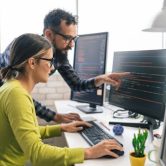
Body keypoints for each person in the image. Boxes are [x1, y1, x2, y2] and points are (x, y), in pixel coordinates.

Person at [0, 33, 123, 166]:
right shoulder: (17, 95)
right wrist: (89, 152)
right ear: (32, 62)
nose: (52, 68)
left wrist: (61, 128)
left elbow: (26, 132)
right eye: (49, 61)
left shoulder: (12, 87)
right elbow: (37, 155)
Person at [0, 9, 129, 123]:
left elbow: (76, 84)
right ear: (49, 34)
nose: (72, 44)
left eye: (74, 39)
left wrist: (101, 79)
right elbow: (18, 95)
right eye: (67, 38)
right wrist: (55, 116)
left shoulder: (59, 54)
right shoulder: (22, 49)